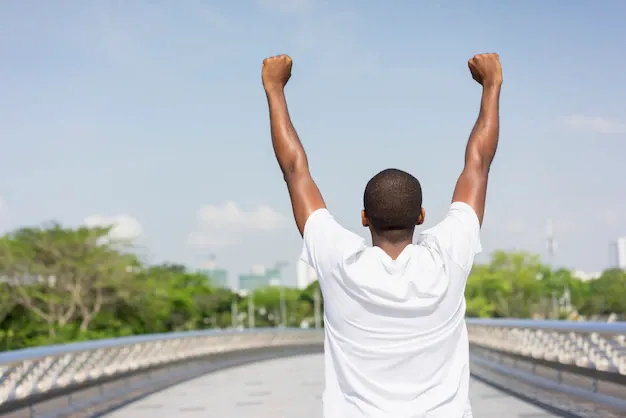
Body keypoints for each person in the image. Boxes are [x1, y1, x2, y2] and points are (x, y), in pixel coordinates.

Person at [261, 53, 502, 418]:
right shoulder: (447, 258)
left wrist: (274, 88)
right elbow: (478, 164)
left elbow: (295, 171)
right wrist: (492, 85)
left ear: (363, 218)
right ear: (421, 217)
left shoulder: (339, 262)